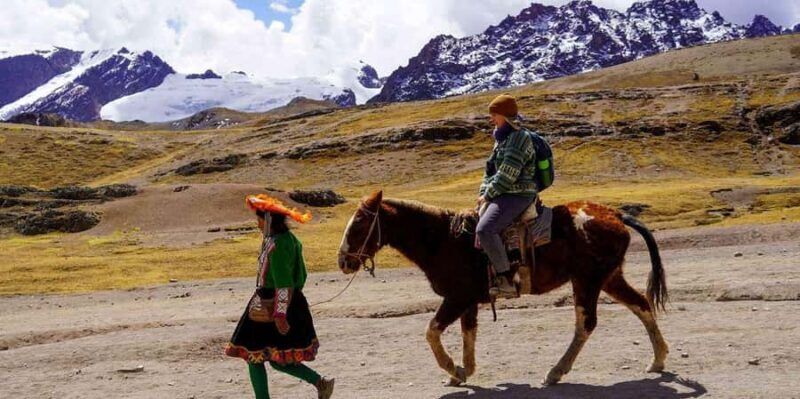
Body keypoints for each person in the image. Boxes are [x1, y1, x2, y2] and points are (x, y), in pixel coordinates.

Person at [225, 194, 334, 399]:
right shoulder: (283, 239)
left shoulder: (279, 245)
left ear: (267, 220)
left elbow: (283, 284)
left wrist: (280, 315)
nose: (256, 223)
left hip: (274, 304)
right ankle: (321, 383)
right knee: (274, 358)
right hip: (279, 302)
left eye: (258, 219)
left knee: (255, 355)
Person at [477, 94, 537, 299]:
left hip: (518, 194)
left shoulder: (519, 138)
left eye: (494, 114)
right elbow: (490, 171)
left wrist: (488, 195)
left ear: (504, 115)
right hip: (503, 193)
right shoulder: (501, 138)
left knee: (485, 230)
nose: (491, 118)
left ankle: (506, 280)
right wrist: (483, 192)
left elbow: (508, 173)